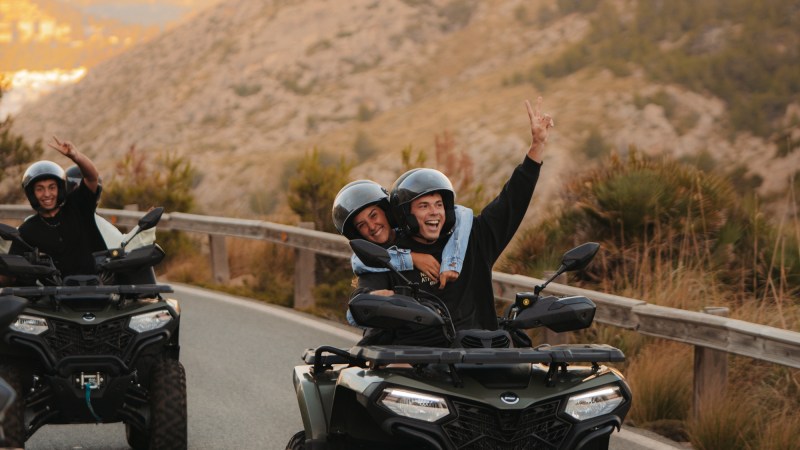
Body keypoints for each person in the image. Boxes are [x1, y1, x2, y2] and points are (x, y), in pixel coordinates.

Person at [351, 97, 555, 346]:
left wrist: (536, 147)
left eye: (438, 205)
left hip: (483, 357)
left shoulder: (474, 238)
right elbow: (365, 295)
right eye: (423, 206)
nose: (434, 212)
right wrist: (377, 299)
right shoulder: (389, 255)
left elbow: (511, 201)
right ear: (406, 214)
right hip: (419, 365)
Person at [332, 179, 472, 327]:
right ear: (357, 233)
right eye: (362, 225)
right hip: (403, 339)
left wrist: (452, 261)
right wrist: (372, 298)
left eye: (374, 215)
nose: (372, 226)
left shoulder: (418, 232)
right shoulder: (370, 261)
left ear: (387, 212)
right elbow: (360, 297)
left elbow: (462, 214)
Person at [9, 137, 107, 277]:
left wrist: (76, 156)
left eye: (52, 187)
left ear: (60, 189)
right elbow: (10, 272)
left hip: (96, 288)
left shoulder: (78, 206)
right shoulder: (27, 230)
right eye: (40, 189)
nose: (47, 194)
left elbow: (92, 178)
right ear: (32, 193)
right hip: (52, 296)